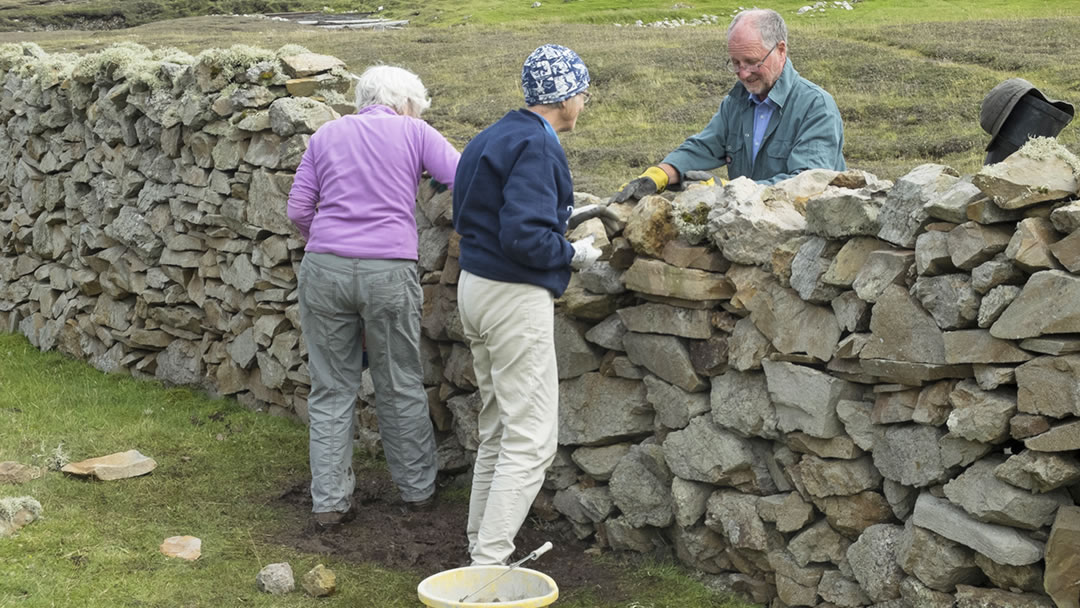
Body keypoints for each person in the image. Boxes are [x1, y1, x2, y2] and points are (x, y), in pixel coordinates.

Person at [287, 65, 460, 528]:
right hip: (389, 271)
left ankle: (328, 502)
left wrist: (321, 241)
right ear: (404, 101)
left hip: (324, 269)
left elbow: (298, 208)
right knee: (399, 380)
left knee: (331, 387)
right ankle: (418, 491)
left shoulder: (326, 135)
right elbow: (463, 179)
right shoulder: (414, 132)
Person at [452, 44, 601, 565]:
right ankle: (488, 566)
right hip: (512, 294)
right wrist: (574, 252)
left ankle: (478, 548)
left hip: (475, 286)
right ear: (563, 96)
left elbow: (483, 213)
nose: (585, 101)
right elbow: (524, 237)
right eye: (581, 90)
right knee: (533, 439)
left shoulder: (493, 135)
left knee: (497, 429)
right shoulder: (539, 145)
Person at [613, 8, 846, 201]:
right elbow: (703, 147)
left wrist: (729, 188)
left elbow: (807, 183)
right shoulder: (735, 103)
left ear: (781, 50)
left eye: (753, 63)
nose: (743, 74)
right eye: (735, 62)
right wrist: (661, 173)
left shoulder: (816, 106)